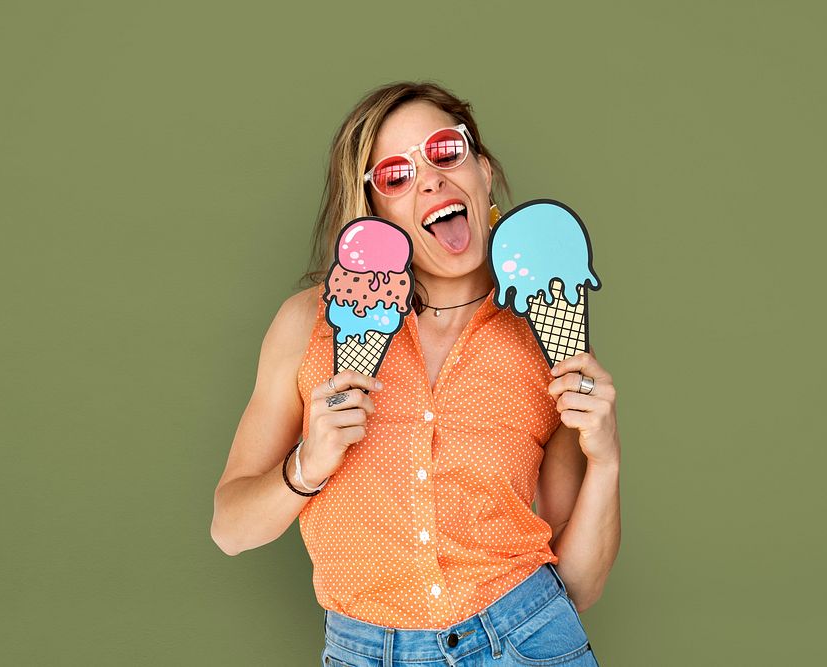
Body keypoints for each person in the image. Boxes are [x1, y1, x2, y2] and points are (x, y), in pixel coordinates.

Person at [212, 81, 620, 667]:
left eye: (445, 152)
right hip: (363, 652)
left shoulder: (541, 334)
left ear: (482, 170)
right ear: (376, 212)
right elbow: (231, 529)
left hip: (526, 640)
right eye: (396, 176)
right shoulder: (310, 326)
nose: (429, 179)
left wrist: (606, 458)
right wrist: (310, 462)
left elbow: (578, 585)